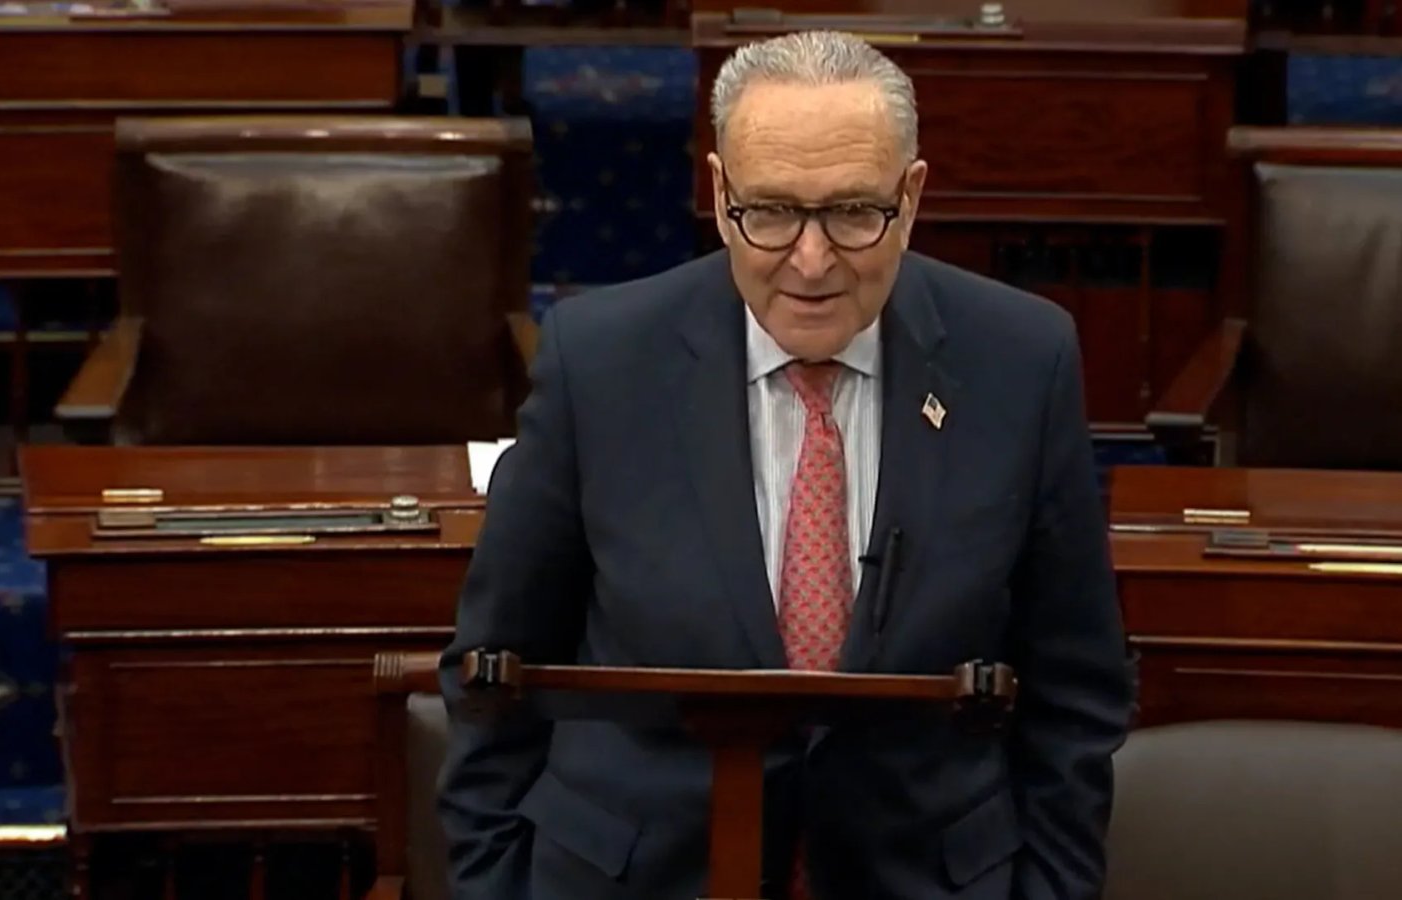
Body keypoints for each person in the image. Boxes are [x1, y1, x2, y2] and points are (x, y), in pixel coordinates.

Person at [437, 29, 1134, 900]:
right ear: (721, 190)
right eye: (769, 212)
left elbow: (1078, 688)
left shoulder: (1022, 361)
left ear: (910, 198)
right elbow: (494, 673)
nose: (810, 262)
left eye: (851, 212)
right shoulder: (600, 360)